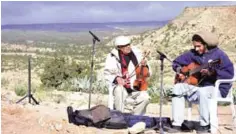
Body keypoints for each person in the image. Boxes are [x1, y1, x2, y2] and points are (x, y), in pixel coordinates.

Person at [171, 31, 234, 133]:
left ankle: (204, 125)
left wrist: (213, 73)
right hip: (198, 87)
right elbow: (176, 62)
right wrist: (179, 70)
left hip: (215, 88)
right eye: (195, 46)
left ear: (206, 45)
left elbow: (229, 74)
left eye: (199, 46)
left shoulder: (220, 55)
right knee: (178, 88)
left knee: (203, 91)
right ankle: (176, 124)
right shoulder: (193, 53)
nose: (196, 49)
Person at [104, 35, 151, 115]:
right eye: (125, 46)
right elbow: (107, 73)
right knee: (120, 90)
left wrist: (145, 65)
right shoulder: (112, 57)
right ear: (119, 47)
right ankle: (120, 116)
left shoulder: (137, 54)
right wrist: (117, 78)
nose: (128, 47)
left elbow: (148, 73)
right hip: (121, 88)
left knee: (145, 97)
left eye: (129, 44)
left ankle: (135, 117)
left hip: (135, 87)